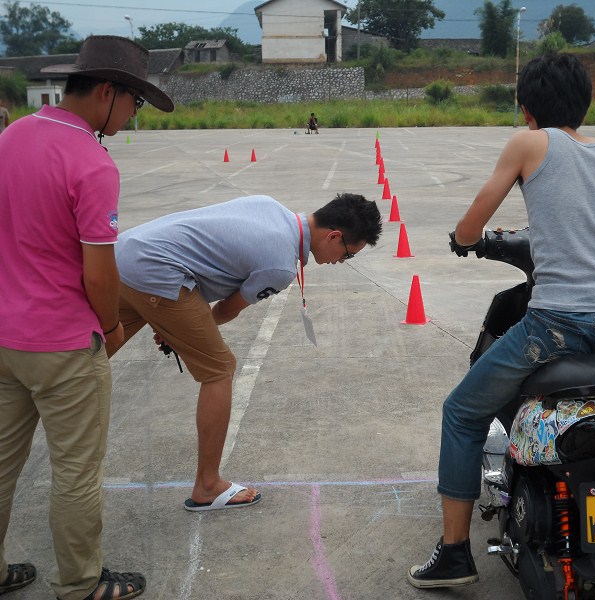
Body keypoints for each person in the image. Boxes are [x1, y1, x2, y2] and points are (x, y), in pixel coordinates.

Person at [407, 53, 595, 589]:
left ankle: (454, 553)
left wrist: (464, 240)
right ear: (585, 104)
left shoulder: (529, 143)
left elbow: (472, 222)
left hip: (554, 325)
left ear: (527, 109)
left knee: (461, 411)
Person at [0, 35, 173, 600]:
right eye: (134, 103)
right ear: (107, 93)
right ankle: (79, 585)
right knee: (75, 473)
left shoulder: (12, 135)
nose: (131, 115)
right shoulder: (91, 163)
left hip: (5, 334)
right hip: (64, 344)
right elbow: (100, 275)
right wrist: (113, 325)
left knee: (2, 463)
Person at [107, 192, 382, 511]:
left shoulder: (270, 206)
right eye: (347, 254)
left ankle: (44, 392)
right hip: (159, 273)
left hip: (126, 254)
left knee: (92, 352)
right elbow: (226, 310)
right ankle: (208, 486)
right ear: (334, 236)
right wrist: (183, 331)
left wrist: (181, 329)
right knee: (219, 369)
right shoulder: (280, 265)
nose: (341, 262)